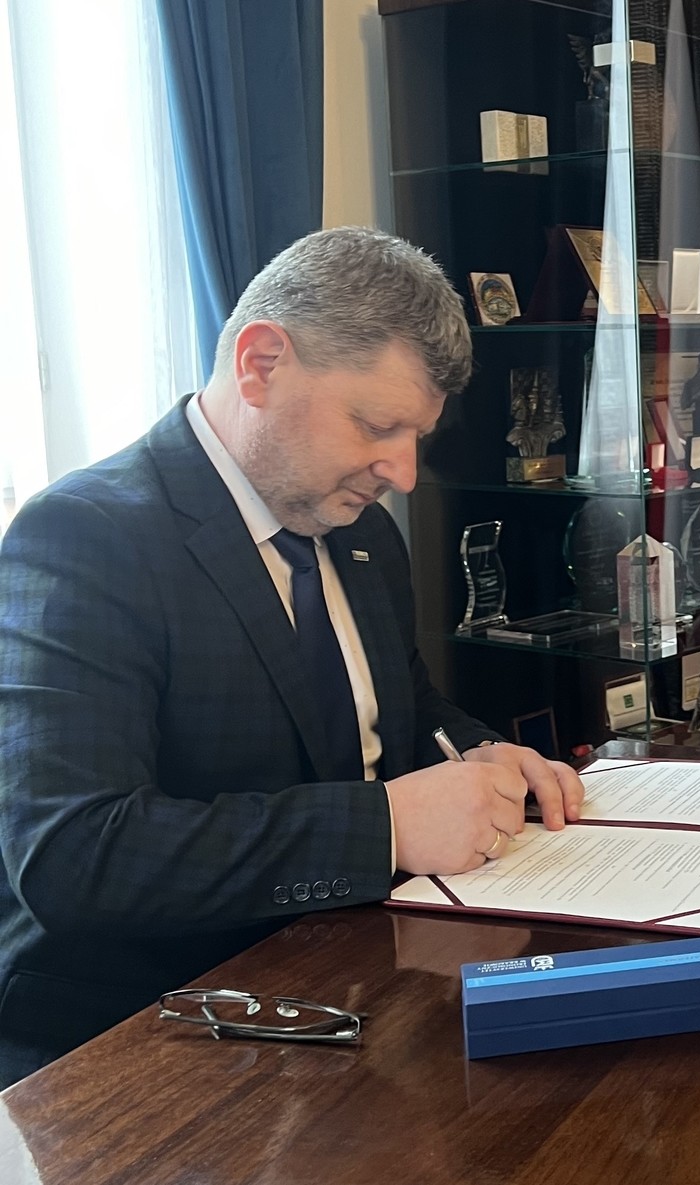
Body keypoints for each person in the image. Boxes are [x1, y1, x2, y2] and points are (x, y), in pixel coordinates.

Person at [0, 226, 585, 1085]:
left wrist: (483, 754)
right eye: (377, 425)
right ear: (261, 363)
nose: (403, 471)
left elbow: (402, 707)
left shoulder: (363, 534)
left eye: (417, 435)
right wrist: (387, 826)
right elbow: (75, 854)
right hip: (148, 1045)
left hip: (353, 988)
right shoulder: (83, 538)